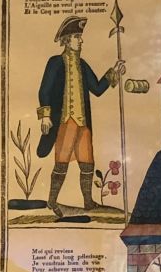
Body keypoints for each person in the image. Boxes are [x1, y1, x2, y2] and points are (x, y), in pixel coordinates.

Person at [36, 16, 122, 217]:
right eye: (77, 37)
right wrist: (45, 116)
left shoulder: (82, 64)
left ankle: (88, 202)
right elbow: (44, 91)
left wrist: (114, 73)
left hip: (83, 123)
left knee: (87, 161)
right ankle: (52, 201)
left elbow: (97, 89)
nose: (80, 41)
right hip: (64, 121)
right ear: (67, 40)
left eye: (80, 37)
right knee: (62, 161)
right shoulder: (55, 63)